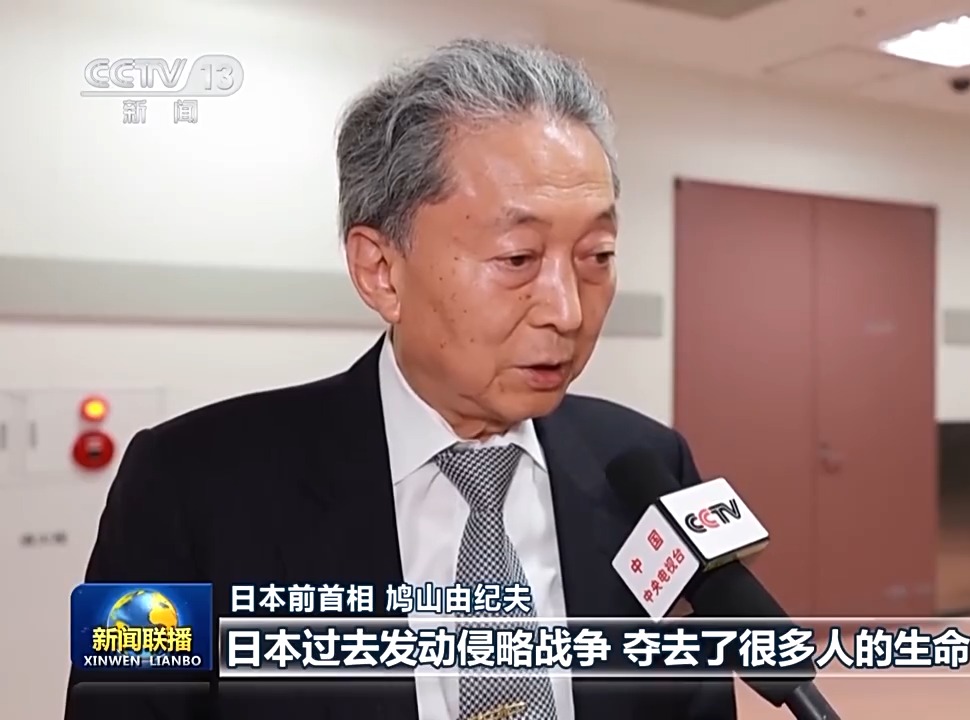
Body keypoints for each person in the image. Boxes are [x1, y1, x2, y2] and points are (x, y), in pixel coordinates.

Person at [65, 38, 736, 720]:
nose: (568, 311)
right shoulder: (183, 485)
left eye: (597, 255)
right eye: (518, 258)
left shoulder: (649, 467)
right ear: (381, 271)